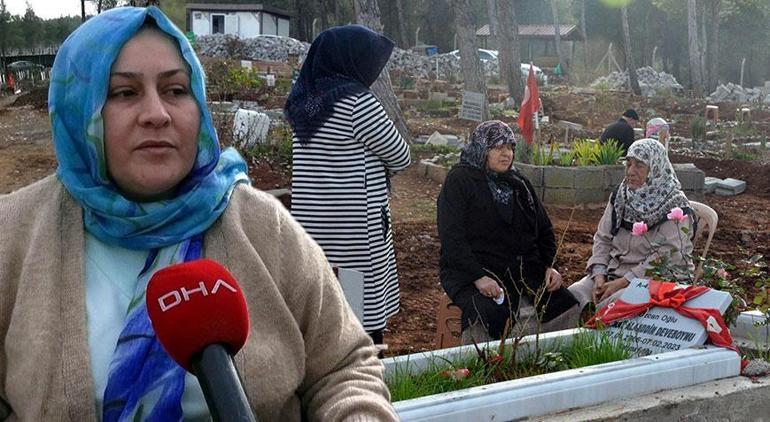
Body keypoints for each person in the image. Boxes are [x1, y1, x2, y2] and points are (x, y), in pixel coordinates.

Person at [0, 7, 397, 421]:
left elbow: (344, 367)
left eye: (175, 89)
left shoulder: (263, 226)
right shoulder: (13, 237)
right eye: (124, 93)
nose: (157, 113)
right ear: (78, 108)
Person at [285, 25, 411, 346]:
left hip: (313, 224)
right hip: (354, 227)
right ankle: (362, 380)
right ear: (350, 59)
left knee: (323, 307)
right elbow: (401, 155)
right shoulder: (357, 102)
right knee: (359, 314)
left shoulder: (304, 103)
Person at [437, 121, 578, 344]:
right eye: (498, 148)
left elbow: (543, 229)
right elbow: (452, 236)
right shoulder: (461, 181)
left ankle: (547, 365)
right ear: (483, 149)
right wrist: (477, 276)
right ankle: (485, 371)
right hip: (476, 270)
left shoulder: (518, 183)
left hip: (522, 269)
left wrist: (551, 266)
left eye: (510, 148)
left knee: (563, 304)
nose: (506, 154)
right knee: (485, 314)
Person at [568, 139, 695, 310]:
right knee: (573, 296)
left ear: (655, 168)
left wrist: (624, 282)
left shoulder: (675, 205)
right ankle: (561, 337)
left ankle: (594, 334)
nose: (630, 172)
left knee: (614, 305)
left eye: (639, 166)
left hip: (652, 280)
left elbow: (667, 256)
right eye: (628, 164)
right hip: (611, 274)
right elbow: (603, 238)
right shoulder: (621, 196)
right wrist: (599, 274)